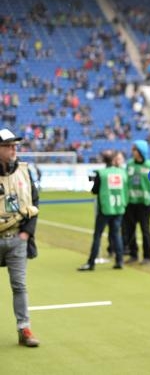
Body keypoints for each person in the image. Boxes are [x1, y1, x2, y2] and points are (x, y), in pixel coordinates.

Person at [0, 128, 40, 347]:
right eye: (8, 146)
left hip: (18, 237)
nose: (13, 149)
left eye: (15, 145)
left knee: (19, 286)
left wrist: (26, 233)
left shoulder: (24, 170)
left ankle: (24, 329)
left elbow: (35, 202)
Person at [78, 150, 127, 271]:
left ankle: (91, 263)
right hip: (118, 208)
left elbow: (95, 191)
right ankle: (119, 260)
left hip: (105, 208)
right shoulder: (122, 173)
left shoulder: (102, 173)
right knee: (116, 235)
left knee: (98, 236)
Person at [123, 140, 150, 265]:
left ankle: (147, 256)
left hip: (145, 204)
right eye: (133, 149)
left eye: (135, 149)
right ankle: (133, 254)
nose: (132, 152)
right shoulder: (129, 165)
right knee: (129, 230)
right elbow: (124, 184)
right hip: (130, 203)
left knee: (145, 230)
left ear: (141, 151)